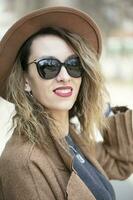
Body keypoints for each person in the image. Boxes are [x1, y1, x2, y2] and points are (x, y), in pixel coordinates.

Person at [0, 6, 132, 200]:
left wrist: (103, 110)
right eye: (48, 66)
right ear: (25, 81)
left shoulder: (70, 138)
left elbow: (122, 163)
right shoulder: (25, 163)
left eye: (73, 64)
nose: (64, 76)